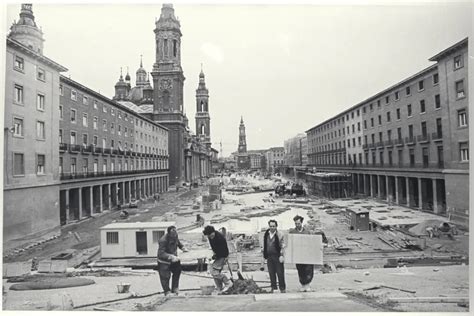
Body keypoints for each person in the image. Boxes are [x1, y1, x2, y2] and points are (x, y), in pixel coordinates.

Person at [157, 226, 188, 296]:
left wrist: (182, 247)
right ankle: (167, 291)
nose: (175, 235)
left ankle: (175, 288)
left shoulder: (175, 235)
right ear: (169, 233)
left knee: (177, 271)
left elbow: (178, 242)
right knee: (165, 277)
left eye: (175, 233)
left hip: (174, 259)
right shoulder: (163, 240)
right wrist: (170, 256)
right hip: (164, 261)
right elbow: (161, 253)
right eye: (173, 234)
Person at [202, 225, 232, 293]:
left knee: (214, 272)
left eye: (211, 235)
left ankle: (228, 283)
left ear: (213, 232)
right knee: (216, 272)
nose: (210, 237)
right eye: (208, 236)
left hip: (223, 255)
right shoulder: (210, 237)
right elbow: (213, 247)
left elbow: (223, 251)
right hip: (217, 255)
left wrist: (215, 257)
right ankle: (219, 288)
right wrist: (213, 255)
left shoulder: (220, 238)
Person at [289, 215, 314, 292]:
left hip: (307, 254)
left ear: (302, 223)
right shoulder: (292, 232)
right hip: (298, 255)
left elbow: (311, 242)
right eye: (296, 223)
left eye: (299, 223)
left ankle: (308, 284)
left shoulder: (307, 232)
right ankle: (303, 284)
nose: (297, 225)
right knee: (300, 270)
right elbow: (290, 242)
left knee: (308, 269)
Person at [262, 219, 286, 293]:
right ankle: (274, 287)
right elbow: (264, 244)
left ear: (276, 226)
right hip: (269, 256)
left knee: (280, 272)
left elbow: (283, 245)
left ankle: (282, 288)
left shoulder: (280, 234)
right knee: (271, 272)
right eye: (271, 226)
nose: (272, 227)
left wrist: (282, 255)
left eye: (274, 226)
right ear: (269, 226)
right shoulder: (266, 234)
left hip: (277, 256)